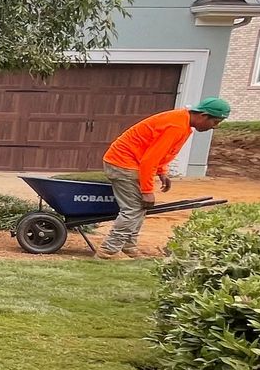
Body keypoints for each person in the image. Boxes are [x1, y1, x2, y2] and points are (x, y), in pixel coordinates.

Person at [99, 97, 231, 257]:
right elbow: (149, 160)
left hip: (130, 161)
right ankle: (108, 251)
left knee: (140, 208)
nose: (215, 127)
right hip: (123, 163)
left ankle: (128, 247)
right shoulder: (176, 126)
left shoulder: (183, 123)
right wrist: (147, 190)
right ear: (203, 115)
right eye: (215, 122)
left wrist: (162, 171)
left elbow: (159, 152)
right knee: (133, 208)